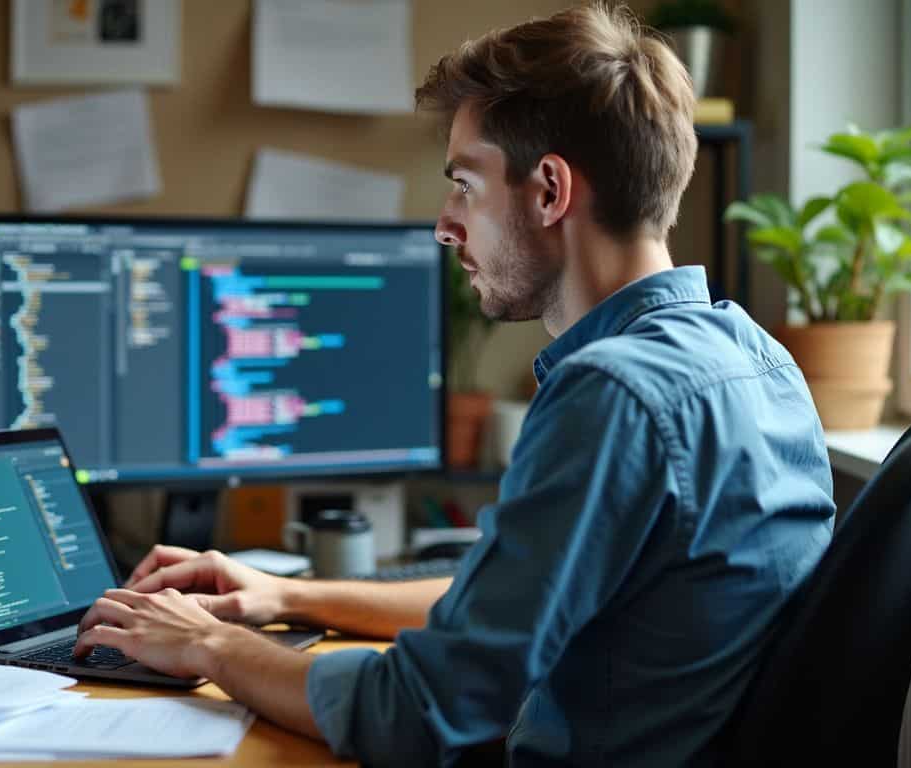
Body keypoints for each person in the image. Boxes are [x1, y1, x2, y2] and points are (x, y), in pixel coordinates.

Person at [72, 5, 835, 766]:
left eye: (465, 184)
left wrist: (210, 645)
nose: (444, 224)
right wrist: (285, 595)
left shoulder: (615, 393)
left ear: (549, 191)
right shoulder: (757, 359)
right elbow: (506, 612)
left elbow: (418, 713)